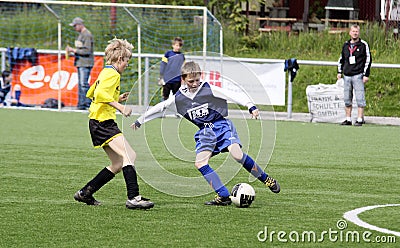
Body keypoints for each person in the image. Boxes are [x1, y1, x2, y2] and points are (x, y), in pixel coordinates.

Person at [132, 61, 280, 206]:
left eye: (197, 79)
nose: (195, 83)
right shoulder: (178, 98)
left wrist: (250, 106)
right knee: (200, 163)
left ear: (200, 76)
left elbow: (232, 94)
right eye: (191, 81)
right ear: (183, 79)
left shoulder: (209, 88)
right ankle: (223, 195)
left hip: (221, 125)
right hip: (205, 133)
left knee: (237, 155)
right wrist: (140, 120)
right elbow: (160, 108)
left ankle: (267, 179)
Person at [73, 38, 154, 210]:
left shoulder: (105, 71)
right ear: (119, 59)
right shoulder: (113, 73)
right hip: (103, 123)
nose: (126, 65)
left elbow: (92, 92)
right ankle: (133, 197)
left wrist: (116, 98)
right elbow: (100, 93)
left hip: (98, 122)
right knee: (129, 155)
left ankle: (85, 193)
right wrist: (120, 106)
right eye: (126, 61)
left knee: (118, 164)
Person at [337, 24, 372, 126]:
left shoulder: (363, 45)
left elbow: (368, 60)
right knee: (347, 98)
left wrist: (366, 74)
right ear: (350, 32)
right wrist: (339, 72)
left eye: (356, 31)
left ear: (359, 33)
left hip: (358, 75)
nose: (355, 33)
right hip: (347, 75)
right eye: (353, 31)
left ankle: (360, 119)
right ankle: (348, 119)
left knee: (360, 97)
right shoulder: (346, 45)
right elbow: (341, 59)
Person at [66, 17, 94, 110]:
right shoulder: (81, 35)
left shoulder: (87, 35)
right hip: (80, 63)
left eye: (75, 26)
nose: (74, 28)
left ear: (80, 25)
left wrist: (74, 50)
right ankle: (81, 103)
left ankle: (88, 103)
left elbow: (87, 50)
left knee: (84, 84)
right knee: (81, 84)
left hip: (85, 63)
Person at [158, 37, 185, 101]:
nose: (178, 47)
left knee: (176, 96)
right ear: (173, 45)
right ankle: (163, 108)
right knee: (165, 95)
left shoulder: (182, 56)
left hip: (177, 80)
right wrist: (161, 76)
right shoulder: (168, 54)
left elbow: (183, 67)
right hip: (167, 79)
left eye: (180, 46)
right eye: (177, 45)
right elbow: (163, 64)